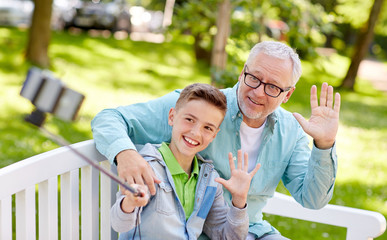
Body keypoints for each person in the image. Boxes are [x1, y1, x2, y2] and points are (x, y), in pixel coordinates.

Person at [91, 41, 341, 239]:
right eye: (254, 78)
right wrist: (125, 153)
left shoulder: (291, 131)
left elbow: (312, 199)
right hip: (198, 232)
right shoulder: (201, 108)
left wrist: (325, 144)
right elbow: (109, 118)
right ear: (243, 71)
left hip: (249, 231)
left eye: (273, 87)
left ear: (287, 95)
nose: (258, 92)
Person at [110, 83, 260, 239]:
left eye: (207, 128)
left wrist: (239, 201)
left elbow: (228, 237)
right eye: (189, 119)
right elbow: (119, 224)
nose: (195, 132)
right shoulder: (147, 168)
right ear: (172, 117)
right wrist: (129, 202)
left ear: (214, 135)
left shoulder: (210, 182)